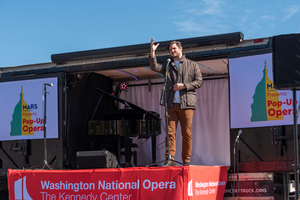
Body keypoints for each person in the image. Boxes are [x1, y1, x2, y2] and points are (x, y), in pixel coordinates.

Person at [149, 38, 203, 166]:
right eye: (170, 50)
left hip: (187, 104)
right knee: (170, 133)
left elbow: (199, 81)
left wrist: (184, 85)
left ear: (180, 49)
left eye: (174, 48)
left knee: (186, 133)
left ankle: (186, 160)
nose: (172, 51)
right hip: (171, 104)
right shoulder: (168, 65)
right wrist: (152, 53)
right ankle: (170, 159)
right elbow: (154, 67)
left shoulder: (192, 64)